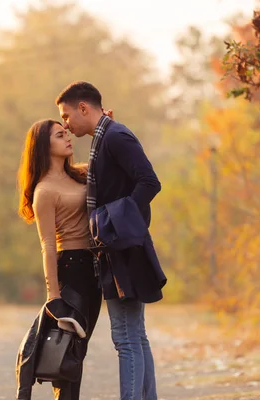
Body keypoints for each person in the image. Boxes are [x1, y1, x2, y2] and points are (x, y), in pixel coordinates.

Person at [55, 81, 166, 400]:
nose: (66, 123)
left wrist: (116, 222)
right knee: (135, 336)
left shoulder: (116, 136)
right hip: (118, 247)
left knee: (125, 338)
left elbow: (149, 182)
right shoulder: (105, 137)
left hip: (122, 247)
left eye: (66, 115)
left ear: (83, 108)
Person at [15, 119, 103, 400]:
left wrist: (108, 127)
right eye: (59, 135)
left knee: (79, 350)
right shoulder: (44, 190)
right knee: (70, 351)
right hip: (71, 269)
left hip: (93, 268)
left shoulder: (79, 174)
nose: (68, 138)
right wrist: (53, 294)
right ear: (43, 146)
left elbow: (107, 162)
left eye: (67, 134)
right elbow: (48, 245)